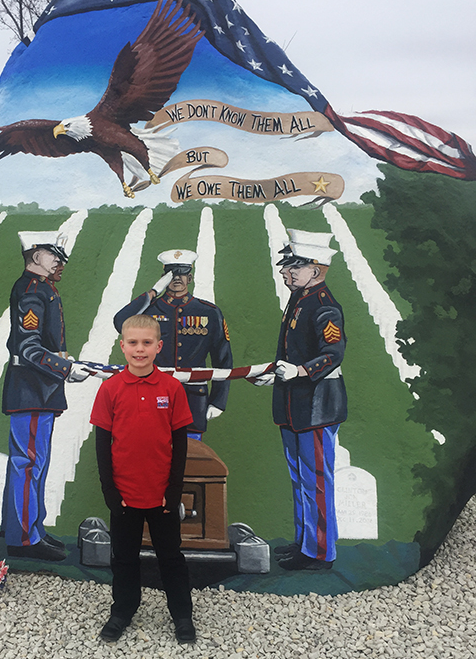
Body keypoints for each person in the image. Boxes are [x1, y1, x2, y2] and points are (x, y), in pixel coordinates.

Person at [90, 314, 196, 644]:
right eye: (133, 343)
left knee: (171, 557)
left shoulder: (172, 388)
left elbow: (179, 442)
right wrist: (109, 489)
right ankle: (122, 610)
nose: (140, 349)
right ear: (122, 347)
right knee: (123, 557)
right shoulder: (110, 390)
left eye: (147, 343)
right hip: (124, 495)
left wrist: (174, 488)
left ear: (158, 347)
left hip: (162, 495)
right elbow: (102, 443)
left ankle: (182, 615)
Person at [254, 229, 347, 571]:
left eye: (294, 265)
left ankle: (321, 552)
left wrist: (299, 372)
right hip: (296, 408)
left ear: (317, 269)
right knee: (301, 480)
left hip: (317, 407)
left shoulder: (324, 307)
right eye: (287, 265)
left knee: (317, 481)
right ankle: (304, 544)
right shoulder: (300, 300)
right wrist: (275, 373)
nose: (285, 271)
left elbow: (332, 354)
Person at [1, 231, 91, 562]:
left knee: (33, 463)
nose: (60, 261)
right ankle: (23, 538)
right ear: (36, 254)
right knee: (29, 464)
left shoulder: (41, 289)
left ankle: (28, 528)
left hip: (38, 388)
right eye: (54, 254)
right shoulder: (31, 291)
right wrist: (65, 369)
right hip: (31, 388)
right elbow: (28, 347)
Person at [113, 249, 232, 438]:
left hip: (193, 397)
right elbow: (121, 322)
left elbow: (223, 357)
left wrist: (219, 400)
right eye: (172, 274)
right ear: (164, 277)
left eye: (182, 273)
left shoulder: (209, 312)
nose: (177, 278)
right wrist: (153, 292)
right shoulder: (150, 310)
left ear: (190, 277)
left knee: (190, 458)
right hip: (154, 394)